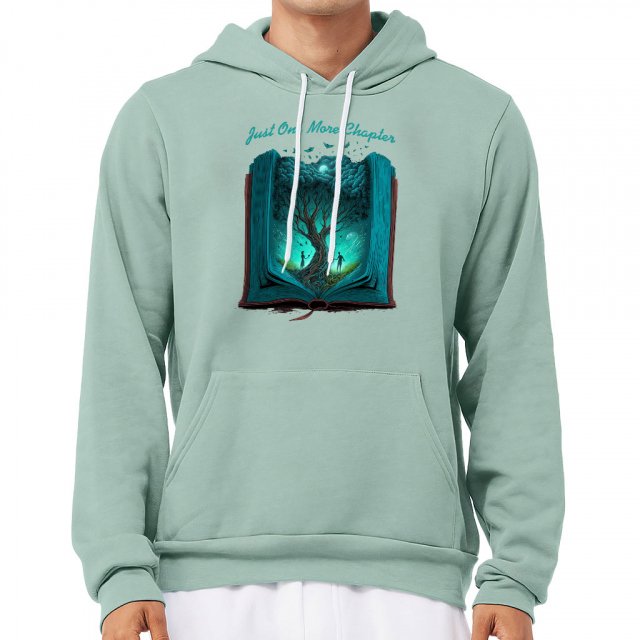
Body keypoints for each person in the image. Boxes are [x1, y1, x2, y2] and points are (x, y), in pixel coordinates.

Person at [71, 1, 565, 639]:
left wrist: (517, 572)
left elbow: (513, 354)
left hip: (412, 582)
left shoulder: (478, 120)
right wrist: (118, 566)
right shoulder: (164, 119)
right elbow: (121, 355)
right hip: (202, 583)